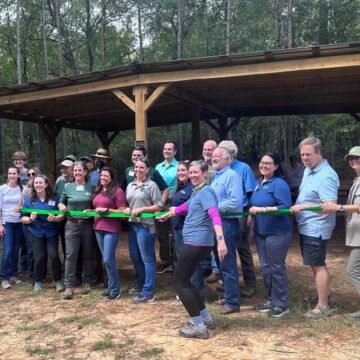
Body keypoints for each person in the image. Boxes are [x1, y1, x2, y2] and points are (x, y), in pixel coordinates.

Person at [161, 160, 227, 339]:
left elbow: (214, 213)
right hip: (197, 244)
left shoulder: (206, 191)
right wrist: (171, 213)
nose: (192, 175)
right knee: (187, 282)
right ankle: (205, 318)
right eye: (191, 173)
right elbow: (186, 206)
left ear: (205, 173)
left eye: (196, 172)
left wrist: (221, 240)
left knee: (179, 283)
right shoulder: (197, 192)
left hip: (196, 244)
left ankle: (198, 325)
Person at [291, 137, 339, 318]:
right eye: (302, 154)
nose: (304, 158)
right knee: (314, 263)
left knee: (318, 265)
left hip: (316, 227)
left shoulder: (326, 175)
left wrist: (304, 207)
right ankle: (324, 294)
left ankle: (323, 306)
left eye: (308, 154)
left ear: (319, 153)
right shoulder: (309, 170)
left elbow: (329, 207)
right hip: (306, 226)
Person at [248, 153, 292, 318]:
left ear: (276, 166)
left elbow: (285, 206)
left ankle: (282, 303)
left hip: (277, 232)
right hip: (261, 231)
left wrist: (265, 209)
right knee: (266, 268)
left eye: (268, 163)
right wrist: (252, 229)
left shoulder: (279, 184)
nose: (264, 165)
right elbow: (254, 208)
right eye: (262, 162)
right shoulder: (258, 183)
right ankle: (271, 299)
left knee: (276, 267)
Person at [322, 146, 360, 324]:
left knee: (352, 270)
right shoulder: (356, 180)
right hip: (356, 234)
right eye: (351, 158)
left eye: (357, 158)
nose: (354, 161)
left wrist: (339, 207)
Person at [219, 140, 257, 298]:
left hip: (240, 214)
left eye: (221, 153)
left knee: (243, 248)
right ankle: (229, 284)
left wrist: (249, 215)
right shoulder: (219, 170)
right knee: (226, 251)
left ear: (230, 155)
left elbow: (250, 193)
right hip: (223, 216)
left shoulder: (243, 168)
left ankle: (250, 283)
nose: (217, 156)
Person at [124, 158, 163, 303]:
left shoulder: (152, 185)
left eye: (142, 167)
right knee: (135, 257)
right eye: (136, 167)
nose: (138, 170)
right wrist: (127, 208)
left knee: (147, 260)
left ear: (147, 170)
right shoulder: (130, 185)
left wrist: (142, 209)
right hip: (133, 226)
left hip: (146, 226)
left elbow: (159, 206)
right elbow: (128, 204)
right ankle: (141, 285)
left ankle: (148, 293)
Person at [211, 146, 243, 314]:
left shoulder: (232, 176)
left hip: (227, 224)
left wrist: (212, 208)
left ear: (227, 159)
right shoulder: (216, 177)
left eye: (218, 156)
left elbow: (235, 202)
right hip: (217, 223)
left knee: (228, 263)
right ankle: (229, 295)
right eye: (213, 156)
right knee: (221, 263)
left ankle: (232, 302)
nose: (213, 158)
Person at [59, 161, 96, 300]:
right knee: (70, 255)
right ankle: (69, 285)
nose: (77, 173)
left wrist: (92, 210)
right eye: (75, 171)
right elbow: (61, 201)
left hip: (87, 225)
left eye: (80, 170)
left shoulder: (92, 187)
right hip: (71, 225)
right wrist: (61, 205)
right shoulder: (67, 186)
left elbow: (97, 204)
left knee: (88, 254)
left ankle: (86, 281)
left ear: (85, 172)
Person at [20, 175, 64, 292]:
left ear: (45, 184)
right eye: (36, 183)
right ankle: (38, 281)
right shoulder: (29, 200)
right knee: (39, 258)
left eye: (40, 183)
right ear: (33, 186)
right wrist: (30, 219)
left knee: (54, 256)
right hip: (35, 232)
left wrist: (54, 218)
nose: (38, 185)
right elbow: (22, 218)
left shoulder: (55, 198)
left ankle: (58, 280)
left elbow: (62, 215)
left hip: (51, 232)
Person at [90, 167, 126, 301]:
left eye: (106, 175)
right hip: (98, 227)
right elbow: (97, 207)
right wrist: (91, 210)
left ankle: (115, 290)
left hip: (111, 229)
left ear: (111, 177)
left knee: (108, 259)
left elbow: (122, 210)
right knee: (107, 260)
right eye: (102, 175)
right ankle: (111, 288)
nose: (103, 178)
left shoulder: (117, 191)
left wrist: (108, 210)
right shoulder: (98, 190)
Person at [155, 141, 179, 272]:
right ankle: (165, 261)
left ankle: (177, 262)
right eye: (165, 149)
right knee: (162, 234)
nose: (167, 151)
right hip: (160, 203)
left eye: (170, 149)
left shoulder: (179, 166)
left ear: (174, 152)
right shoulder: (158, 167)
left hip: (174, 203)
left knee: (175, 233)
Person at [0, 167, 23, 289]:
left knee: (15, 250)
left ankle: (13, 274)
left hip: (18, 222)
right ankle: (4, 277)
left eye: (14, 173)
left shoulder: (21, 189)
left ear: (18, 175)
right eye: (10, 173)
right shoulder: (2, 189)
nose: (12, 175)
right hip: (6, 222)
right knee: (7, 250)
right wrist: (0, 225)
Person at [169, 161, 194, 259]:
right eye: (178, 170)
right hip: (177, 227)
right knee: (181, 258)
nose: (180, 172)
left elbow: (195, 208)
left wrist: (178, 210)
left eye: (183, 170)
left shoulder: (193, 188)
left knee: (188, 259)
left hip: (186, 228)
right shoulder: (180, 186)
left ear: (189, 172)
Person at [21, 166, 41, 280]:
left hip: (40, 221)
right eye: (29, 174)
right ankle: (32, 273)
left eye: (33, 174)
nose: (31, 176)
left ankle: (41, 273)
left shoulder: (41, 186)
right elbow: (22, 203)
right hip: (28, 221)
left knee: (39, 249)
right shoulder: (26, 189)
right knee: (29, 249)